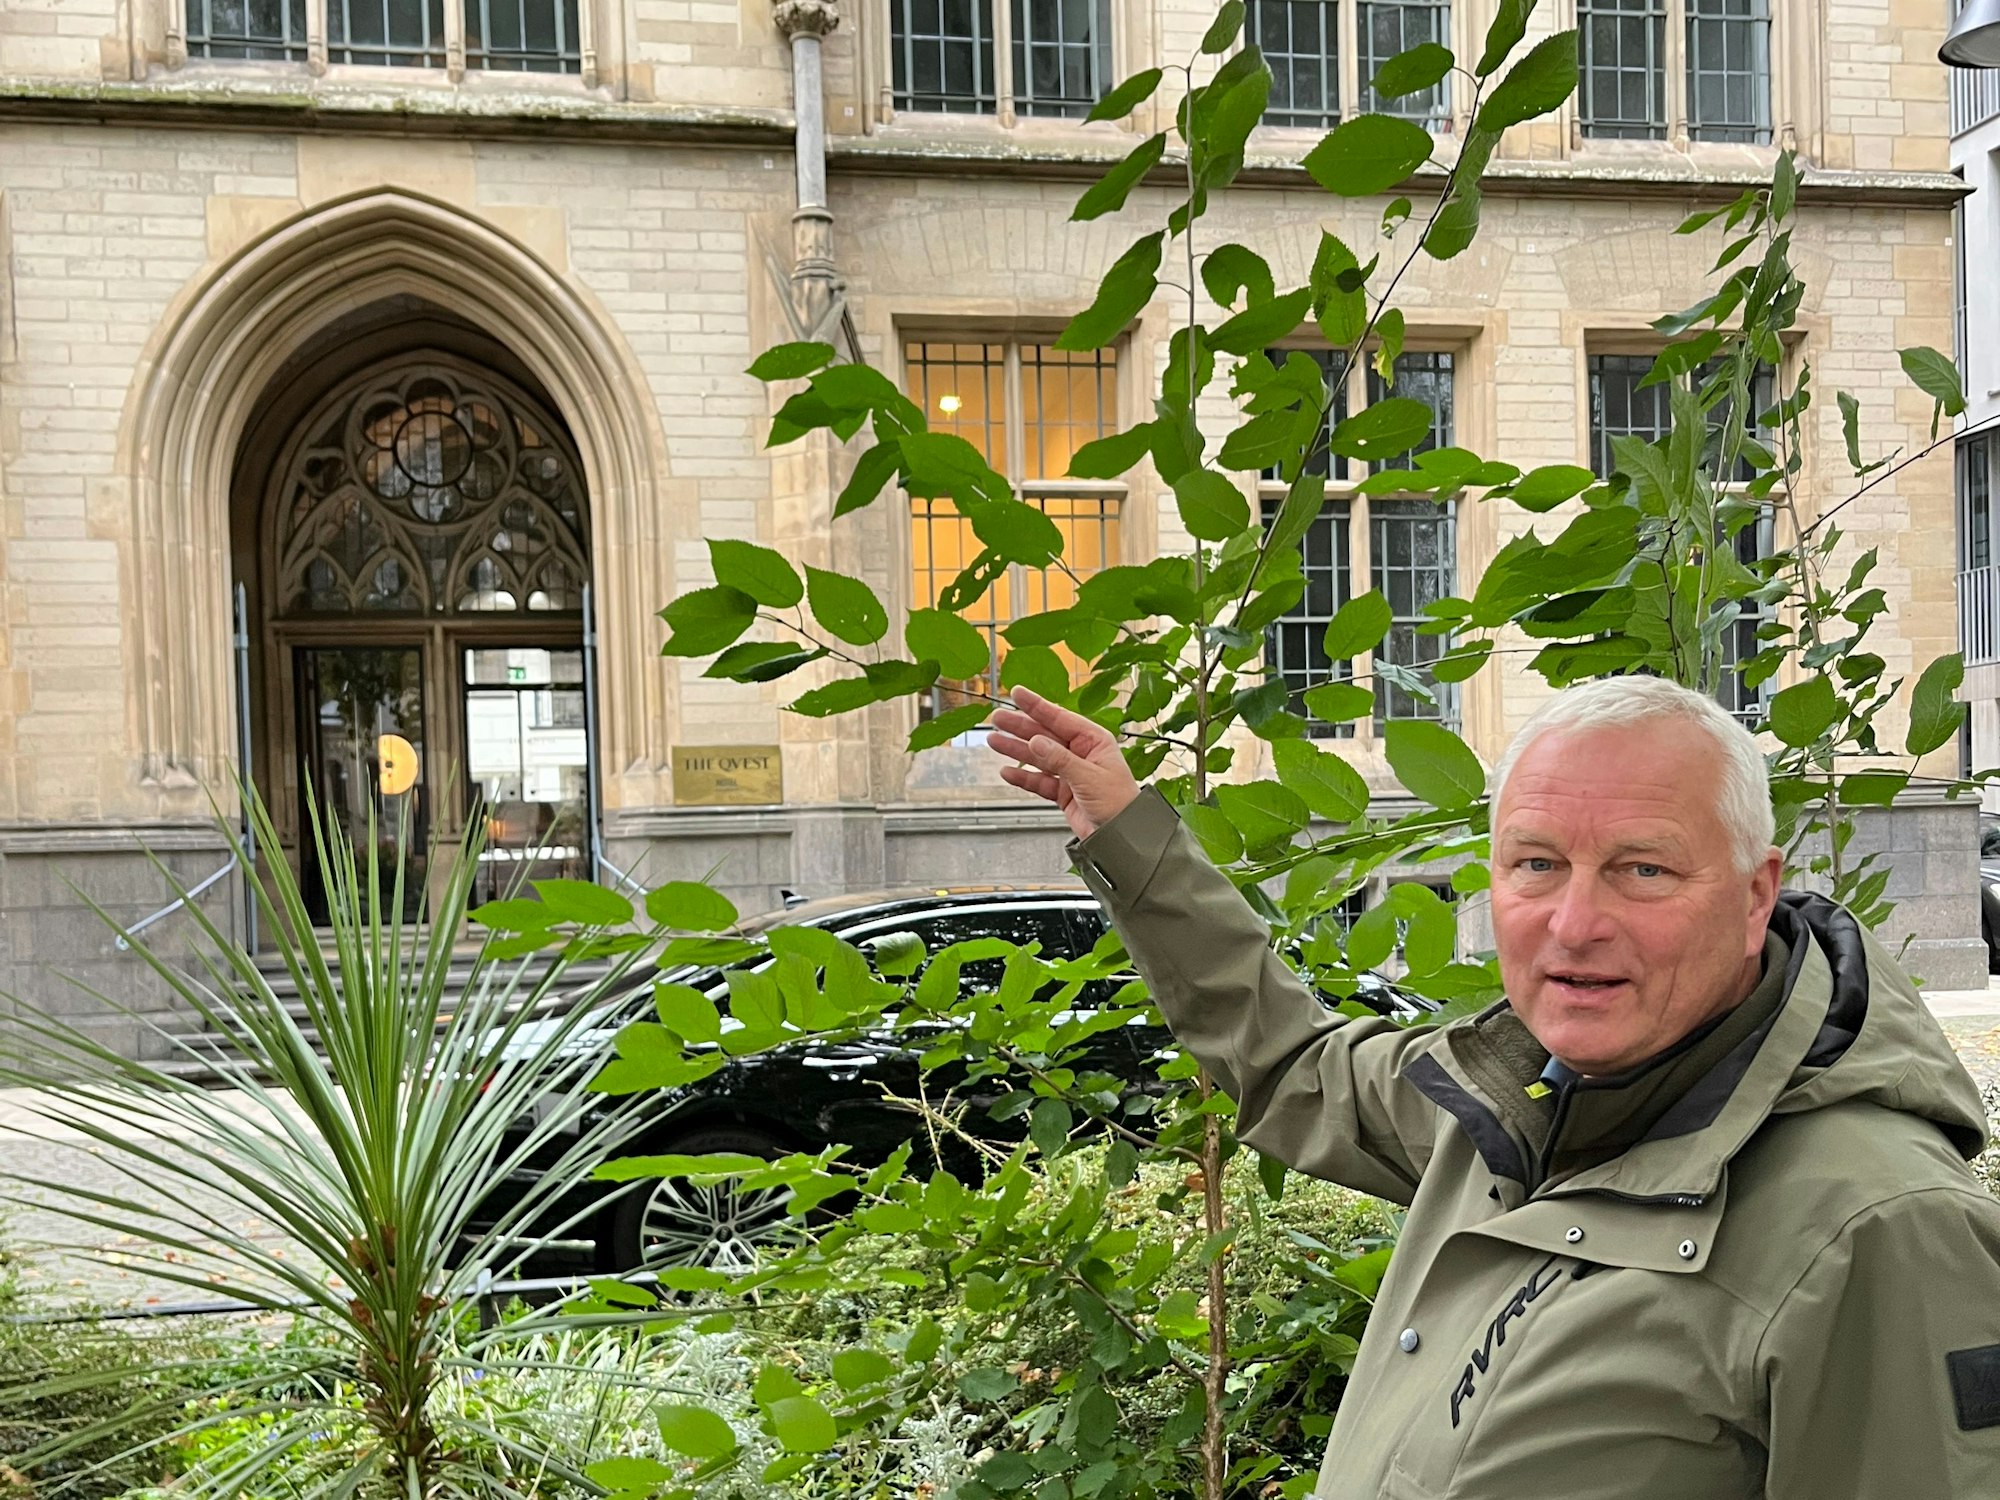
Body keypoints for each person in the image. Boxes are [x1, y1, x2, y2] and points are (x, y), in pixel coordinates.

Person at [987, 676, 2000, 1498]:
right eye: (1535, 864)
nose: (1572, 923)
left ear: (1752, 896)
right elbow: (1294, 1069)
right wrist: (1128, 835)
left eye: (1641, 870)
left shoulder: (1881, 1229)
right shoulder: (1513, 1098)